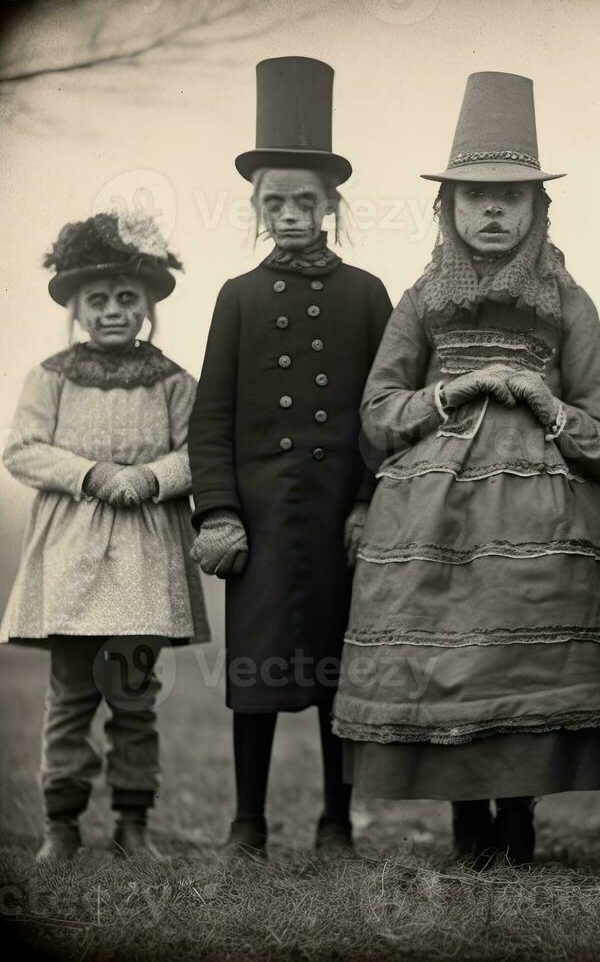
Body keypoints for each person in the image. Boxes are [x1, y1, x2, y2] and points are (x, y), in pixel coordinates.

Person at [331, 71, 600, 867]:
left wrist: (547, 405)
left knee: (519, 654)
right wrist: (450, 392)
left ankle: (518, 818)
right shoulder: (421, 301)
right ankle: (470, 824)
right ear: (448, 208)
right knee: (451, 657)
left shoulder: (570, 302)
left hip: (542, 529)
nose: (492, 211)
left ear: (537, 210)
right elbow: (376, 414)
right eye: (473, 196)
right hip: (430, 527)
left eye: (511, 197)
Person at [188, 57, 392, 859]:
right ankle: (248, 823)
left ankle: (336, 823)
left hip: (341, 520)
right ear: (256, 208)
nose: (291, 214)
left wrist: (371, 501)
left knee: (339, 675)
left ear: (331, 206)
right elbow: (210, 418)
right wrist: (220, 511)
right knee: (259, 676)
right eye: (275, 202)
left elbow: (383, 413)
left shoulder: (368, 292)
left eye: (305, 201)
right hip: (263, 525)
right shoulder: (236, 295)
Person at [1, 211, 209, 861]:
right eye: (98, 300)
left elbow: (201, 452)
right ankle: (61, 826)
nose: (113, 311)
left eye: (126, 299)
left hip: (143, 564)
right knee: (70, 697)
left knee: (133, 699)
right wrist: (91, 474)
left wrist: (149, 478)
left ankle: (133, 824)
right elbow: (23, 450)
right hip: (71, 559)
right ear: (78, 310)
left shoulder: (174, 381)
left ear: (147, 306)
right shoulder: (51, 376)